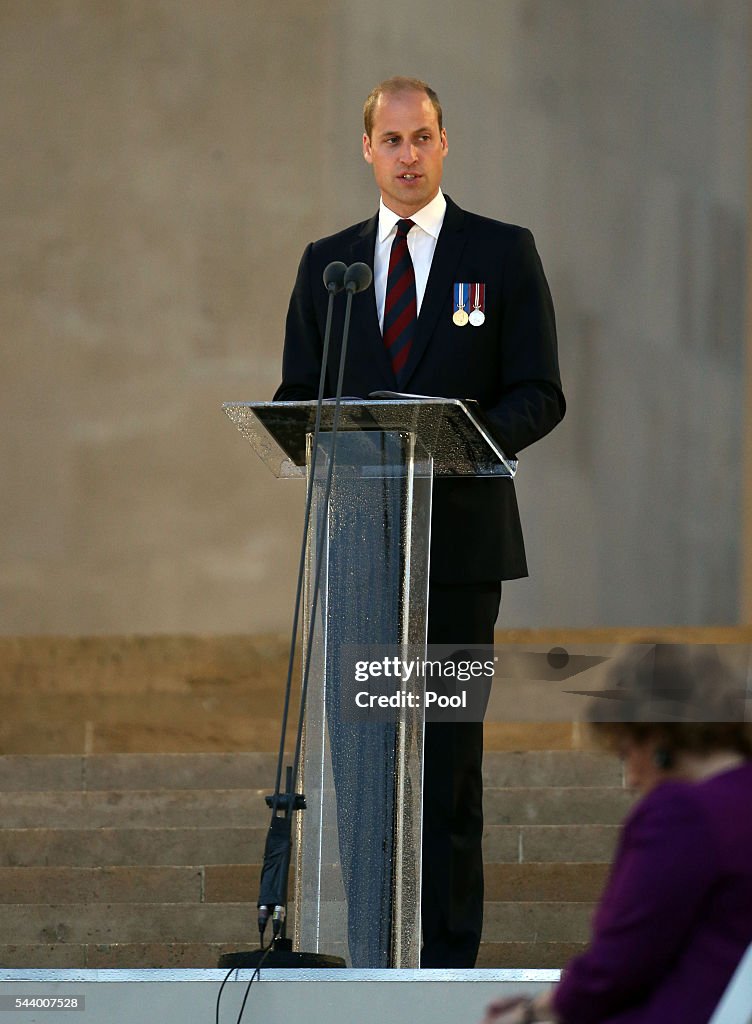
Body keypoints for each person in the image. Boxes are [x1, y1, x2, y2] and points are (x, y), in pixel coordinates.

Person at [275, 76, 565, 968]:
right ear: (367, 149)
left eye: (423, 137)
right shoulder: (333, 266)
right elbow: (296, 398)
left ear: (446, 143)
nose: (408, 156)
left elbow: (541, 394)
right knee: (364, 766)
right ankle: (370, 952)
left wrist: (463, 443)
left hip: (459, 553)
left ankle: (442, 965)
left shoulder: (503, 252)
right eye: (391, 140)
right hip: (363, 552)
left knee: (445, 767)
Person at [481, 644, 752, 1023]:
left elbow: (617, 966)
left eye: (626, 752)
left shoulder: (682, 812)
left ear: (656, 739)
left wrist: (529, 1014)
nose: (629, 780)